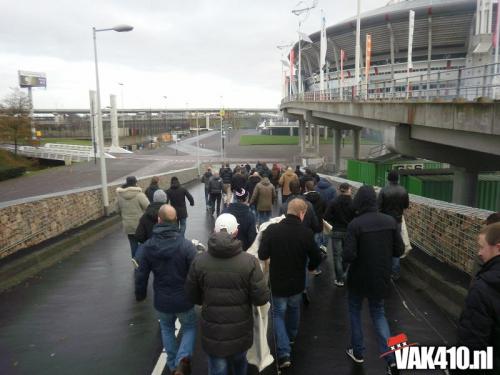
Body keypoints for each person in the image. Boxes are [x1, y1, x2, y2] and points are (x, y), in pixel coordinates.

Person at [186, 213, 270, 375]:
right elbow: (261, 298)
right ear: (236, 232)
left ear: (214, 231)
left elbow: (192, 295)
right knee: (240, 365)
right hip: (240, 331)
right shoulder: (249, 261)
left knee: (218, 369)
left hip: (213, 332)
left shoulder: (200, 261)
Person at [343, 185, 404, 375]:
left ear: (359, 201)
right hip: (380, 276)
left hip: (358, 278)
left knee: (355, 311)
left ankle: (358, 351)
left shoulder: (355, 224)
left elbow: (349, 255)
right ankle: (391, 360)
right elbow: (399, 250)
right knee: (378, 314)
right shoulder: (390, 221)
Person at [258, 198, 322, 369]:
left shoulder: (272, 230)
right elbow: (317, 256)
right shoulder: (306, 233)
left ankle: (284, 351)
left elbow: (262, 254)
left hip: (278, 282)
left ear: (287, 211)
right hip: (297, 282)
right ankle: (291, 337)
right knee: (294, 309)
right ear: (302, 213)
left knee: (278, 314)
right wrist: (311, 267)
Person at [134, 204, 198, 375]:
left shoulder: (147, 247)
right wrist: (198, 295)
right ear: (176, 221)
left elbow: (140, 273)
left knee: (167, 329)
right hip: (184, 299)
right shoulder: (186, 246)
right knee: (190, 327)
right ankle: (183, 359)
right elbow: (196, 273)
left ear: (159, 220)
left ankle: (172, 365)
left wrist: (140, 294)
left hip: (162, 300)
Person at [457, 222, 500, 371]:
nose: (479, 253)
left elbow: (472, 343)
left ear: (498, 247)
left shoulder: (483, 288)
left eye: (482, 247)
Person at [377, 169, 409, 280]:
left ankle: (385, 270)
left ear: (388, 179)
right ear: (398, 179)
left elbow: (378, 207)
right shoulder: (403, 190)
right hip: (398, 221)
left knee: (385, 245)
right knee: (397, 245)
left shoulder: (383, 190)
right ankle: (395, 272)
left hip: (385, 222)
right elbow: (406, 205)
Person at [324, 182, 355, 287]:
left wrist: (334, 221)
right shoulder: (353, 203)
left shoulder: (334, 202)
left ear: (339, 190)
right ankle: (343, 271)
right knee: (346, 254)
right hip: (348, 232)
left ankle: (339, 279)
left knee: (337, 256)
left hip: (336, 230)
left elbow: (326, 216)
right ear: (349, 189)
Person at [116, 176, 150, 257]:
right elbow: (148, 207)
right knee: (144, 243)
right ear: (135, 183)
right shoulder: (139, 195)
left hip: (128, 225)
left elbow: (117, 210)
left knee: (133, 244)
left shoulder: (119, 196)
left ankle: (135, 262)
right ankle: (144, 261)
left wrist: (124, 215)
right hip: (140, 225)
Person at [304, 180, 327, 275]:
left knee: (304, 248)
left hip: (307, 227)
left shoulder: (304, 199)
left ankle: (305, 268)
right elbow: (325, 209)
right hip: (318, 225)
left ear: (306, 188)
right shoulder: (321, 198)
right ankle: (316, 269)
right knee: (316, 248)